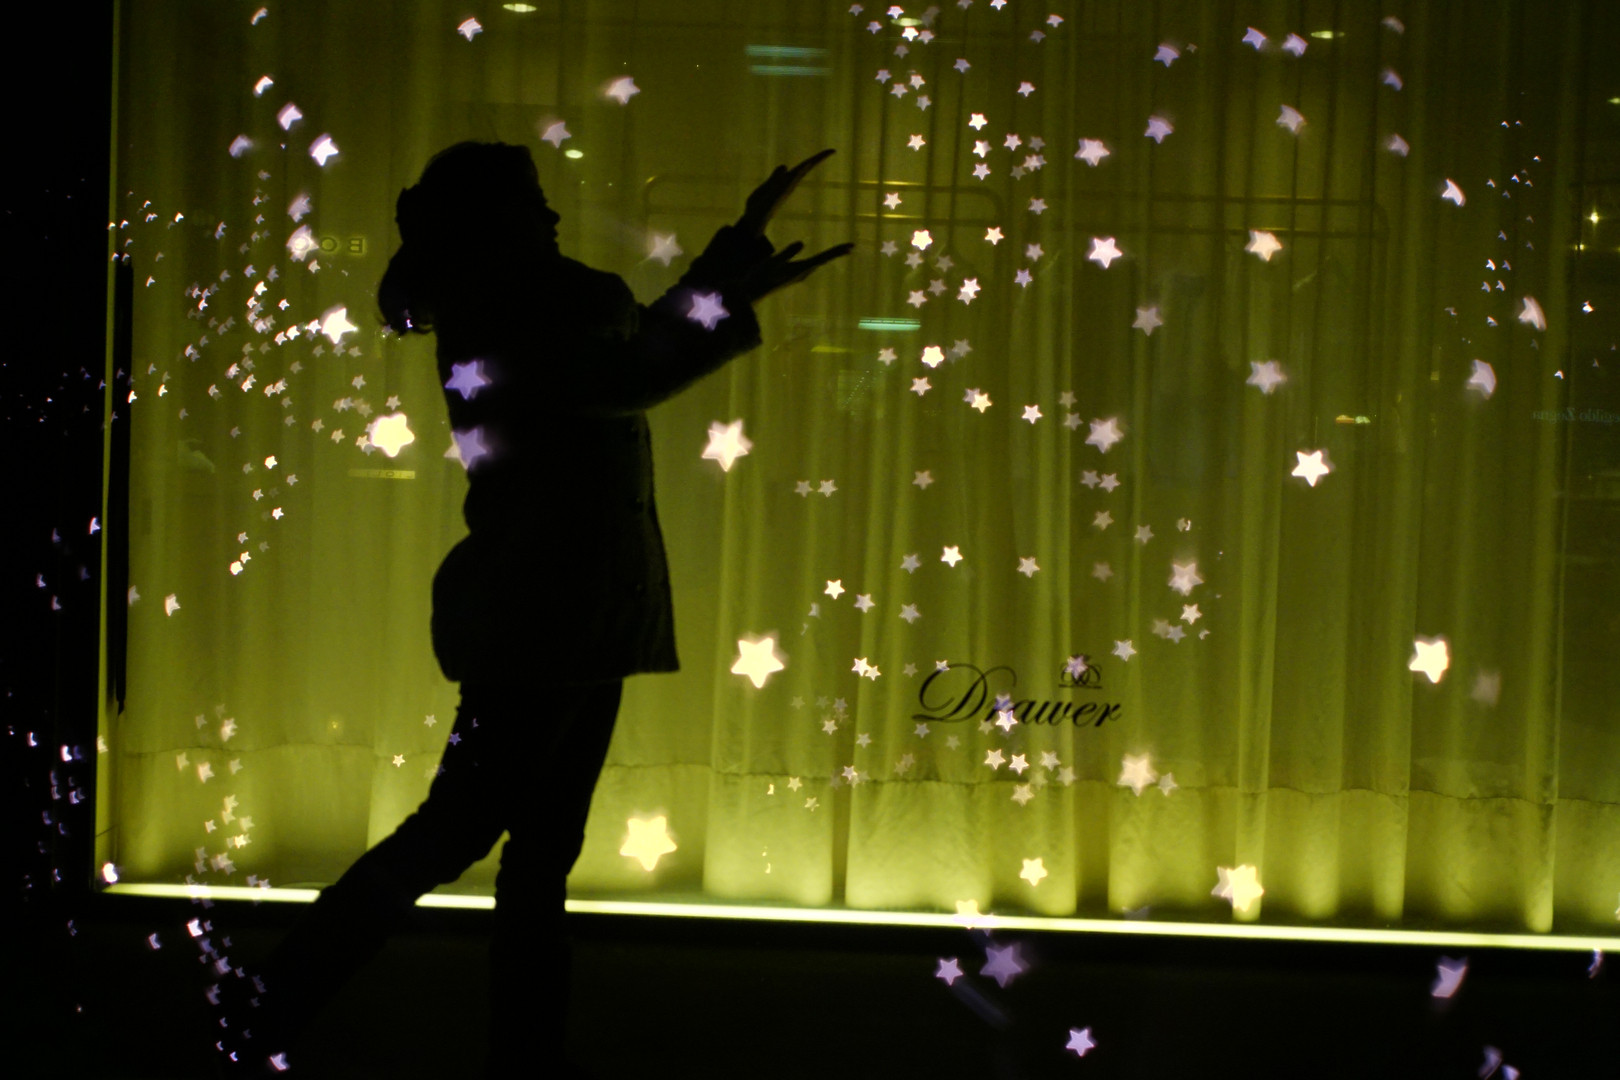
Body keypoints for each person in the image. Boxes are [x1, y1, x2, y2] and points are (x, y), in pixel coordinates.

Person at [212, 141, 852, 1078]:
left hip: (569, 612)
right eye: (532, 202)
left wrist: (730, 268)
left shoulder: (508, 307)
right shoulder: (517, 307)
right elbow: (627, 376)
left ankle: (485, 1046)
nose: (552, 217)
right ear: (493, 222)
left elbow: (625, 364)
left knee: (525, 847)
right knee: (465, 833)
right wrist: (730, 278)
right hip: (551, 613)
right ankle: (266, 1011)